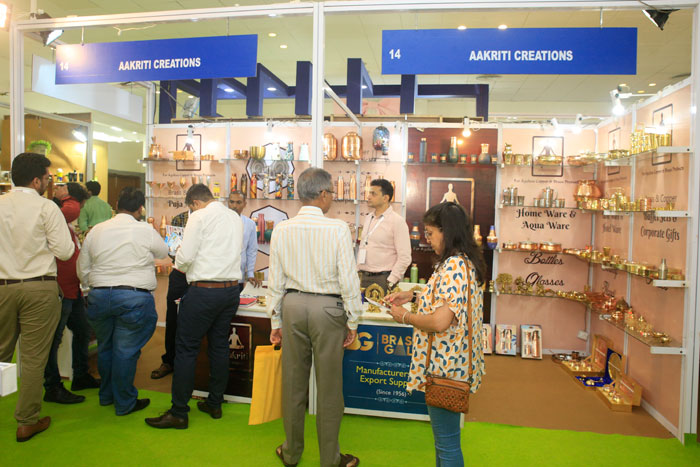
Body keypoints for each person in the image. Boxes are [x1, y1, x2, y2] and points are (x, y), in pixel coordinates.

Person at [267, 168, 361, 467]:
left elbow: (274, 279)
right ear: (322, 194)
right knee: (329, 389)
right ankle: (329, 459)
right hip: (328, 310)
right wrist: (353, 319)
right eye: (331, 192)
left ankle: (291, 452)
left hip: (292, 306)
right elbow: (348, 278)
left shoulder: (282, 228)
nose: (331, 198)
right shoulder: (338, 229)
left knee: (293, 384)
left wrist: (275, 320)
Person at [386, 202, 486, 467]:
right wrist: (412, 295)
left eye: (430, 233)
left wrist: (405, 316)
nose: (427, 239)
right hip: (452, 365)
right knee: (445, 443)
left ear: (447, 231)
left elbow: (440, 321)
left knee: (447, 445)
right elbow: (447, 302)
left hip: (445, 368)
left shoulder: (454, 267)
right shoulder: (462, 263)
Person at [146, 184, 242, 429]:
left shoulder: (198, 217)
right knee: (219, 346)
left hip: (204, 291)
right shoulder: (234, 216)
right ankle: (215, 402)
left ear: (195, 203)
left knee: (186, 348)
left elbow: (185, 259)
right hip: (231, 290)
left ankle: (179, 411)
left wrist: (178, 258)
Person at [0, 153, 75, 442]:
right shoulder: (46, 207)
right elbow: (65, 251)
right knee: (33, 358)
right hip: (39, 286)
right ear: (35, 181)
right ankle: (27, 421)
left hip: (2, 286)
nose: (49, 183)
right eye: (47, 178)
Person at [77, 187, 168, 416]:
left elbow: (83, 267)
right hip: (133, 296)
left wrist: (94, 284)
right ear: (140, 208)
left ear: (117, 205)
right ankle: (125, 402)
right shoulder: (144, 229)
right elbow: (163, 251)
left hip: (99, 295)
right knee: (125, 351)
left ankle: (107, 395)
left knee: (106, 347)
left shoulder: (97, 230)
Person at [43, 182, 100, 407]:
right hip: (60, 289)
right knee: (54, 339)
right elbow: (72, 209)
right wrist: (67, 197)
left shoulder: (63, 221)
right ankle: (53, 386)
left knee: (83, 330)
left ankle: (81, 375)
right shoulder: (59, 213)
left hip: (71, 288)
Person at [151, 210, 190, 380]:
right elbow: (171, 250)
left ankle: (193, 363)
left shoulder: (210, 219)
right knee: (173, 318)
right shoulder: (180, 219)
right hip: (180, 274)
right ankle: (169, 360)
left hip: (203, 276)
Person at [357, 178, 411, 292]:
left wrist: (391, 280)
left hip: (383, 278)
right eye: (369, 193)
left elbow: (405, 257)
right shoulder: (369, 218)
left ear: (385, 198)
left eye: (373, 194)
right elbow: (363, 245)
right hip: (363, 276)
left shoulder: (397, 221)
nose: (368, 197)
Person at [227, 190, 261, 292]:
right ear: (228, 203)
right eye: (232, 202)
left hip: (238, 276)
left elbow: (251, 250)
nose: (234, 206)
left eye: (238, 202)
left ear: (245, 204)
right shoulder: (219, 222)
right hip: (219, 276)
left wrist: (250, 274)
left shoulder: (250, 224)